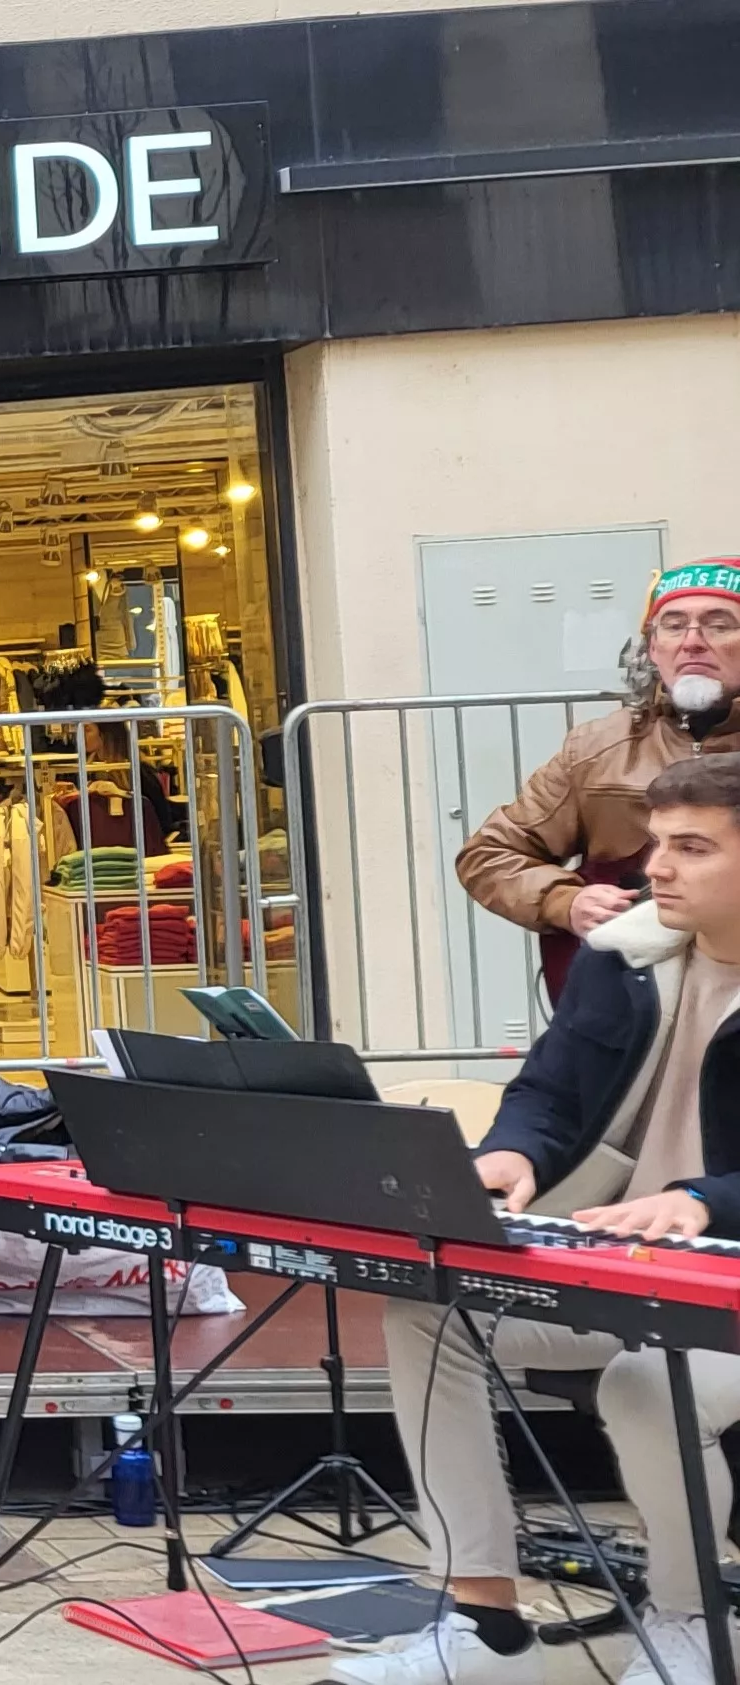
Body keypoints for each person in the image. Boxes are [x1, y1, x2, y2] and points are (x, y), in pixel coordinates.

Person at [341, 754, 740, 1685]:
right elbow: (547, 1097)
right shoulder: (626, 953)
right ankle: (483, 1622)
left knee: (646, 1382)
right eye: (654, 843)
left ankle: (690, 1617)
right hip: (637, 1267)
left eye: (690, 847)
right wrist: (510, 1153)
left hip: (717, 1281)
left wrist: (699, 1200)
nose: (655, 868)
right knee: (426, 1307)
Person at [460, 559, 740, 999]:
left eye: (719, 625)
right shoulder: (595, 749)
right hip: (626, 1005)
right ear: (650, 649)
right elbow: (490, 854)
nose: (692, 642)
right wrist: (565, 902)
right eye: (672, 625)